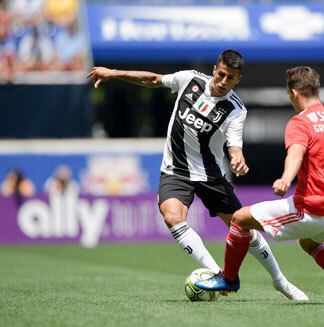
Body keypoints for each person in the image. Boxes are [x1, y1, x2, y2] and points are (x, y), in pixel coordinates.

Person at [86, 50, 308, 300]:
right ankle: (217, 274)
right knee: (172, 217)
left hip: (210, 174)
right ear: (215, 69)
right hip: (175, 170)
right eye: (221, 74)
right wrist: (114, 73)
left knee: (242, 225)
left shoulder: (235, 109)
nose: (224, 81)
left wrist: (238, 158)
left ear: (238, 79)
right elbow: (153, 79)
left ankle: (280, 281)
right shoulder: (190, 80)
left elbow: (235, 146)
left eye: (230, 78)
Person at [195, 66, 324, 304]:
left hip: (310, 209)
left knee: (239, 218)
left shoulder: (300, 122)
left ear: (294, 93)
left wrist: (286, 178)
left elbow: (296, 155)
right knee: (309, 242)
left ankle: (229, 278)